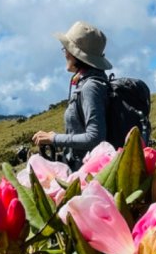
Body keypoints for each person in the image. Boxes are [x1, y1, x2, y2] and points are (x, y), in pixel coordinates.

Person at [32, 21, 111, 169]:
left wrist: (54, 138)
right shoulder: (92, 82)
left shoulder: (90, 87)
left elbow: (95, 138)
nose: (65, 53)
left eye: (66, 49)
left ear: (77, 55)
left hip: (86, 172)